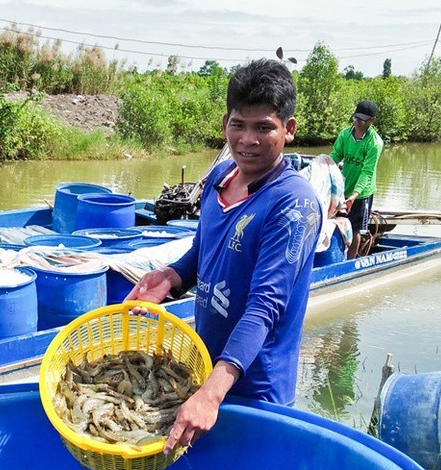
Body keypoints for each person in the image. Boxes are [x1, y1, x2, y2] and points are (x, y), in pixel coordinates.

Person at [126, 59, 321, 455]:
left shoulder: (293, 204)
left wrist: (212, 395)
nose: (247, 139)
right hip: (202, 370)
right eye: (238, 124)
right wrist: (171, 276)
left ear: (289, 129)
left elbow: (264, 307)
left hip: (256, 386)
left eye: (263, 127)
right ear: (224, 124)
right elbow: (203, 252)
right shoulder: (220, 177)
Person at [329, 100, 384, 259]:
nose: (357, 122)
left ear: (372, 120)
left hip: (361, 193)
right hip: (344, 187)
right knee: (338, 222)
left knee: (355, 229)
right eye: (355, 118)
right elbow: (336, 155)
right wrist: (324, 164)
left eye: (362, 120)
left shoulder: (374, 143)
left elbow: (367, 172)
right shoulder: (345, 134)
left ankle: (350, 263)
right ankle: (337, 256)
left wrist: (354, 195)